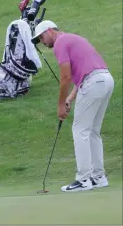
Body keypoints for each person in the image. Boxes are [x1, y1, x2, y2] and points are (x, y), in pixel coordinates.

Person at [31, 20, 115, 192]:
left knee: (80, 130)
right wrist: (70, 97)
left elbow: (66, 77)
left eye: (41, 37)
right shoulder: (73, 38)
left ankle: (84, 179)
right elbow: (85, 72)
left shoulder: (60, 43)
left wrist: (60, 104)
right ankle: (99, 177)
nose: (43, 42)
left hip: (93, 82)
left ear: (49, 31)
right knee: (92, 131)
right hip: (105, 79)